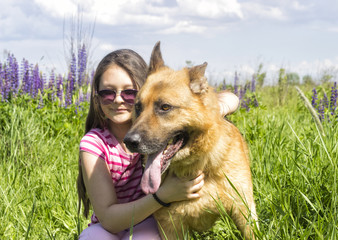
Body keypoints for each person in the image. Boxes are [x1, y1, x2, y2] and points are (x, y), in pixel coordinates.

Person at [77, 48, 239, 240]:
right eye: (107, 93)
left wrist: (211, 111)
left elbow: (230, 98)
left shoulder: (155, 129)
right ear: (97, 97)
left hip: (149, 222)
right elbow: (109, 220)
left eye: (129, 93)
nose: (118, 99)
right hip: (109, 226)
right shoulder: (95, 144)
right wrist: (163, 196)